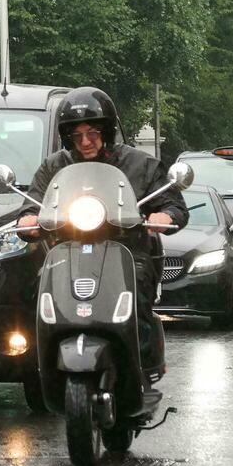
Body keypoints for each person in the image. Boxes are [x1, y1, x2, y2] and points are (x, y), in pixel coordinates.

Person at [16, 88, 186, 383]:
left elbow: (173, 204)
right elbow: (33, 203)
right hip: (67, 253)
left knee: (138, 298)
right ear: (66, 136)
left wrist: (165, 216)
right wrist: (27, 219)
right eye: (76, 135)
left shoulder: (140, 164)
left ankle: (141, 373)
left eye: (93, 132)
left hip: (127, 251)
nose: (85, 141)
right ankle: (38, 371)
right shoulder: (55, 166)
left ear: (107, 131)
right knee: (34, 294)